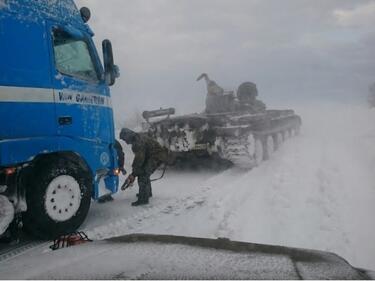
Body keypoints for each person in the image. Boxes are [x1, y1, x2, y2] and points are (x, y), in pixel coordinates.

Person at [120, 128, 168, 206]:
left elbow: (139, 159)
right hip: (153, 156)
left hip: (156, 156)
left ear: (128, 136)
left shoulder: (138, 142)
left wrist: (134, 173)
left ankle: (143, 199)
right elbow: (141, 158)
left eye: (125, 139)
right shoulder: (137, 138)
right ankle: (147, 193)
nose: (126, 142)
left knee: (143, 175)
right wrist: (135, 171)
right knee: (144, 172)